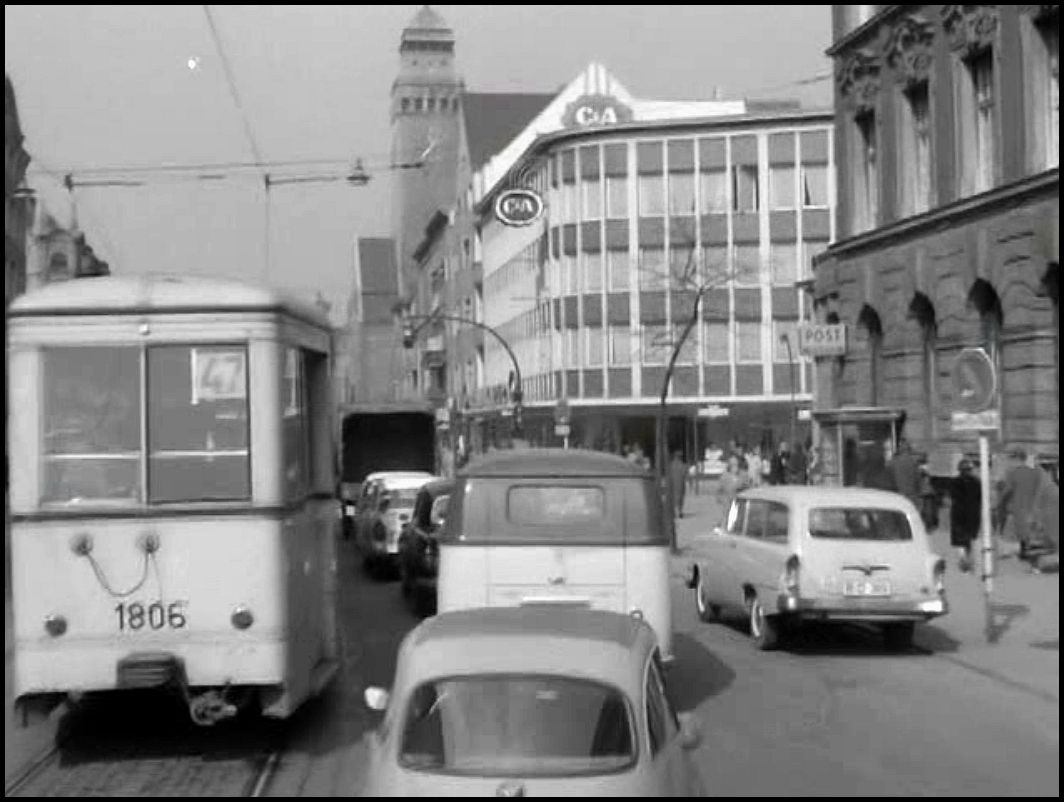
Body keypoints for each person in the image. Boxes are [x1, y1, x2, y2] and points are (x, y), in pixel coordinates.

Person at [996, 448, 1048, 571]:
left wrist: (999, 503)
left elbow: (1007, 492)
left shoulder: (1013, 473)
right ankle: (1031, 559)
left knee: (1023, 536)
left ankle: (1032, 563)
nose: (1010, 461)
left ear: (1016, 459)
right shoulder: (1034, 473)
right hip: (1034, 508)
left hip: (1019, 509)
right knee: (1032, 536)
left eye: (1012, 458)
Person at [949, 459, 981, 573]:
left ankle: (963, 559)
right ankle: (968, 559)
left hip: (959, 513)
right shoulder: (976, 482)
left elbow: (953, 497)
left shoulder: (955, 482)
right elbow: (979, 498)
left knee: (959, 539)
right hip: (973, 513)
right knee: (970, 538)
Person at [668, 451, 688, 519]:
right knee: (680, 498)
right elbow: (685, 475)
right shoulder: (683, 465)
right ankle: (679, 512)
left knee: (673, 497)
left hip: (673, 483)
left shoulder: (671, 465)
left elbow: (668, 475)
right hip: (680, 483)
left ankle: (675, 512)